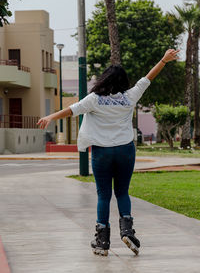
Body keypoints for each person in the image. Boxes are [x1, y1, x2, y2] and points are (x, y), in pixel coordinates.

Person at [37, 49, 179, 256]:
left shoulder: (94, 99)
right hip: (125, 150)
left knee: (104, 195)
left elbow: (72, 110)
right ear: (123, 81)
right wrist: (164, 60)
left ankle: (102, 242)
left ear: (105, 79)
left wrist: (51, 116)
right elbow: (148, 78)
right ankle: (127, 231)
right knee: (122, 192)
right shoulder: (129, 97)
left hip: (102, 152)